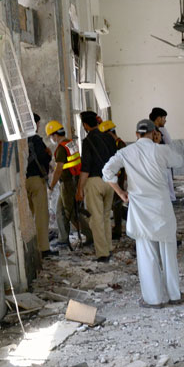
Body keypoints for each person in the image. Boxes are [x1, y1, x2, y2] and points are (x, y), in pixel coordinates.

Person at [103, 119, 184, 308]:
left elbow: (107, 171)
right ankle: (174, 295)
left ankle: (154, 299)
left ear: (136, 134)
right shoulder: (160, 150)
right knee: (168, 253)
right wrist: (158, 144)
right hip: (161, 208)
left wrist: (121, 193)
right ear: (153, 133)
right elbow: (179, 160)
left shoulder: (126, 152)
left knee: (147, 254)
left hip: (140, 210)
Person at [77, 110, 117, 262]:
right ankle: (109, 247)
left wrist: (80, 189)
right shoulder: (108, 137)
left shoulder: (87, 141)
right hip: (110, 181)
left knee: (96, 218)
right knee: (106, 216)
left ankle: (102, 253)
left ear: (86, 125)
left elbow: (85, 168)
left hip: (94, 182)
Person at [47, 120, 93, 250]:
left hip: (68, 184)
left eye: (51, 136)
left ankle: (90, 235)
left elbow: (59, 169)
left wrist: (51, 185)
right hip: (72, 180)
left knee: (72, 212)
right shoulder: (70, 143)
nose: (51, 139)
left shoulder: (61, 148)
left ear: (55, 135)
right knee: (60, 211)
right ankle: (63, 239)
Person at [25, 113, 56, 257]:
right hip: (37, 180)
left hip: (23, 182)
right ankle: (43, 248)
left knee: (30, 216)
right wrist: (49, 155)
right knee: (41, 215)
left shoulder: (20, 138)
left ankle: (31, 248)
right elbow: (44, 157)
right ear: (34, 124)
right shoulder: (36, 139)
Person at [100, 120, 128, 241]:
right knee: (115, 204)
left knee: (116, 204)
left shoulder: (119, 144)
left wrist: (125, 179)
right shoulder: (114, 143)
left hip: (119, 178)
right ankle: (127, 219)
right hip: (114, 177)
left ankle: (117, 230)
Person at [149, 107, 177, 203]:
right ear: (158, 118)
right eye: (164, 118)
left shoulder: (159, 129)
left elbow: (168, 143)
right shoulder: (152, 130)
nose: (165, 121)